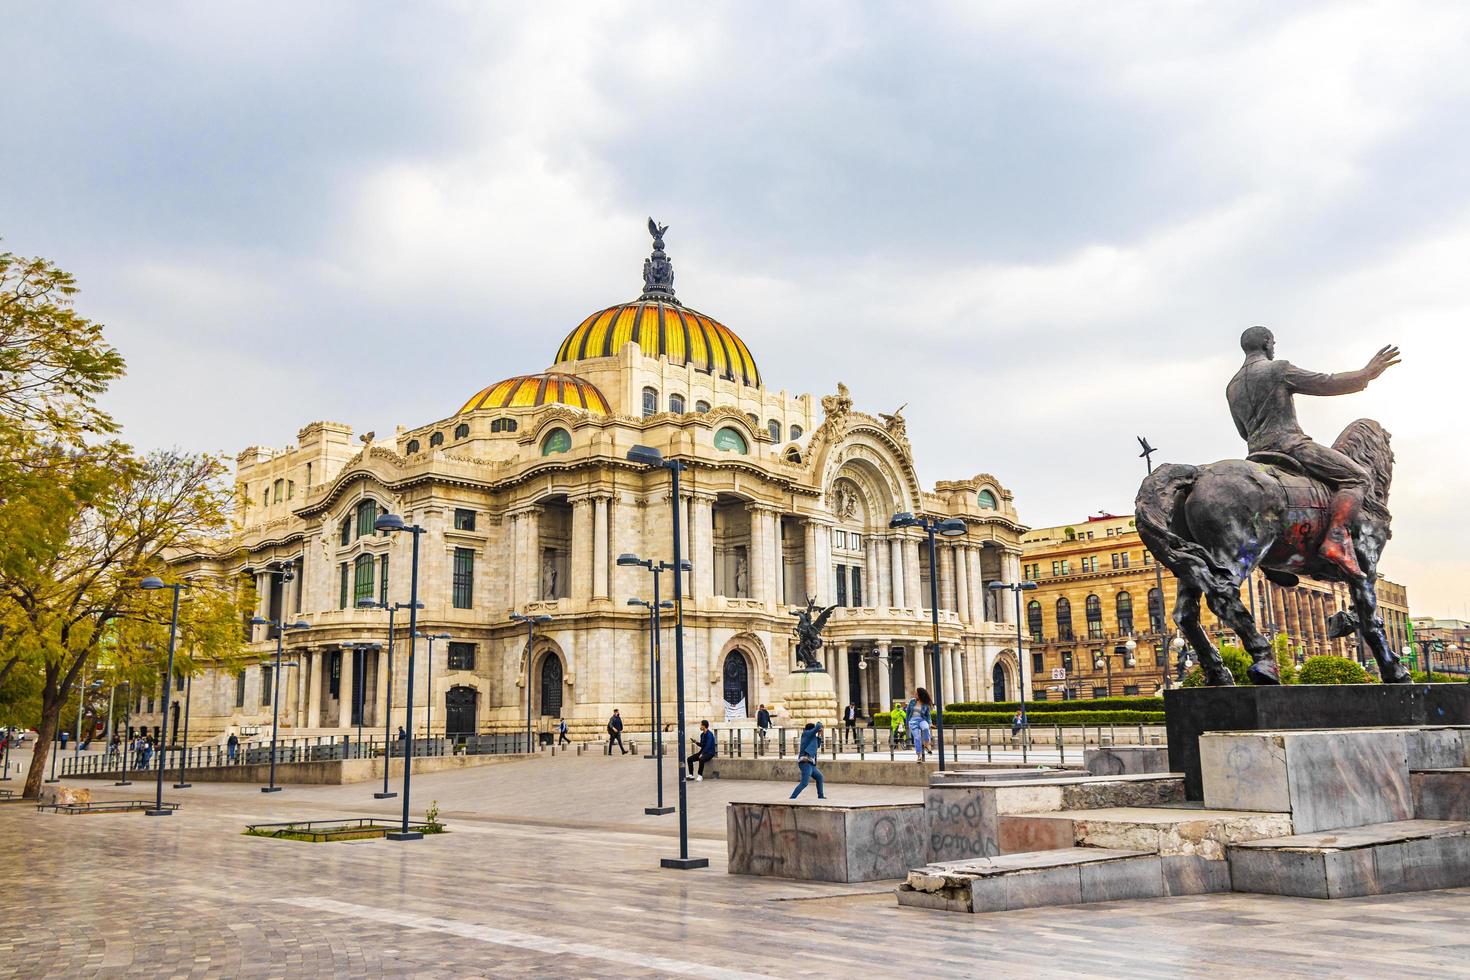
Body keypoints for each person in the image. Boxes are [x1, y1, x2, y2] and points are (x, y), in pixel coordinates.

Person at [1227, 327, 1401, 579]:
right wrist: (1366, 374)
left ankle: (1272, 555)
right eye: (1273, 342)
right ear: (1266, 343)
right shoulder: (1278, 369)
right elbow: (1325, 382)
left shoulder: (1232, 385)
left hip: (1257, 453)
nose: (1274, 347)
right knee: (1358, 477)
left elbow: (1243, 430)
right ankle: (1337, 538)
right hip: (1291, 445)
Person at [789, 721, 827, 799]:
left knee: (819, 777)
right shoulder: (806, 734)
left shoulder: (812, 738)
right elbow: (817, 727)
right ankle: (792, 798)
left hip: (811, 764)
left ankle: (821, 796)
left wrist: (820, 734)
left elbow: (818, 744)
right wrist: (820, 724)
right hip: (805, 762)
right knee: (804, 783)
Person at [905, 688, 933, 763]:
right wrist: (907, 723)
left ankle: (926, 745)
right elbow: (907, 713)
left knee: (926, 727)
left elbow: (928, 715)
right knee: (917, 738)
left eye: (916, 693)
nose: (915, 695)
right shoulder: (912, 701)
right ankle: (919, 756)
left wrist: (930, 723)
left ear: (920, 695)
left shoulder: (925, 703)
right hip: (913, 721)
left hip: (921, 719)